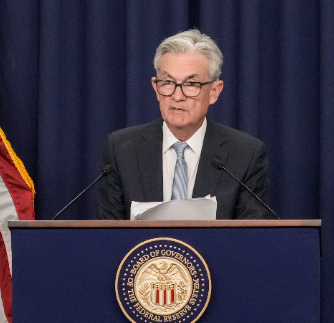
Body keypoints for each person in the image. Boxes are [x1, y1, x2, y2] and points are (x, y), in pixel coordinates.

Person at [98, 29, 272, 219]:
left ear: (214, 91)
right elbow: (109, 237)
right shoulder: (122, 150)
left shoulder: (244, 155)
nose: (177, 96)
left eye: (191, 84)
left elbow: (253, 238)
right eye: (168, 82)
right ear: (156, 87)